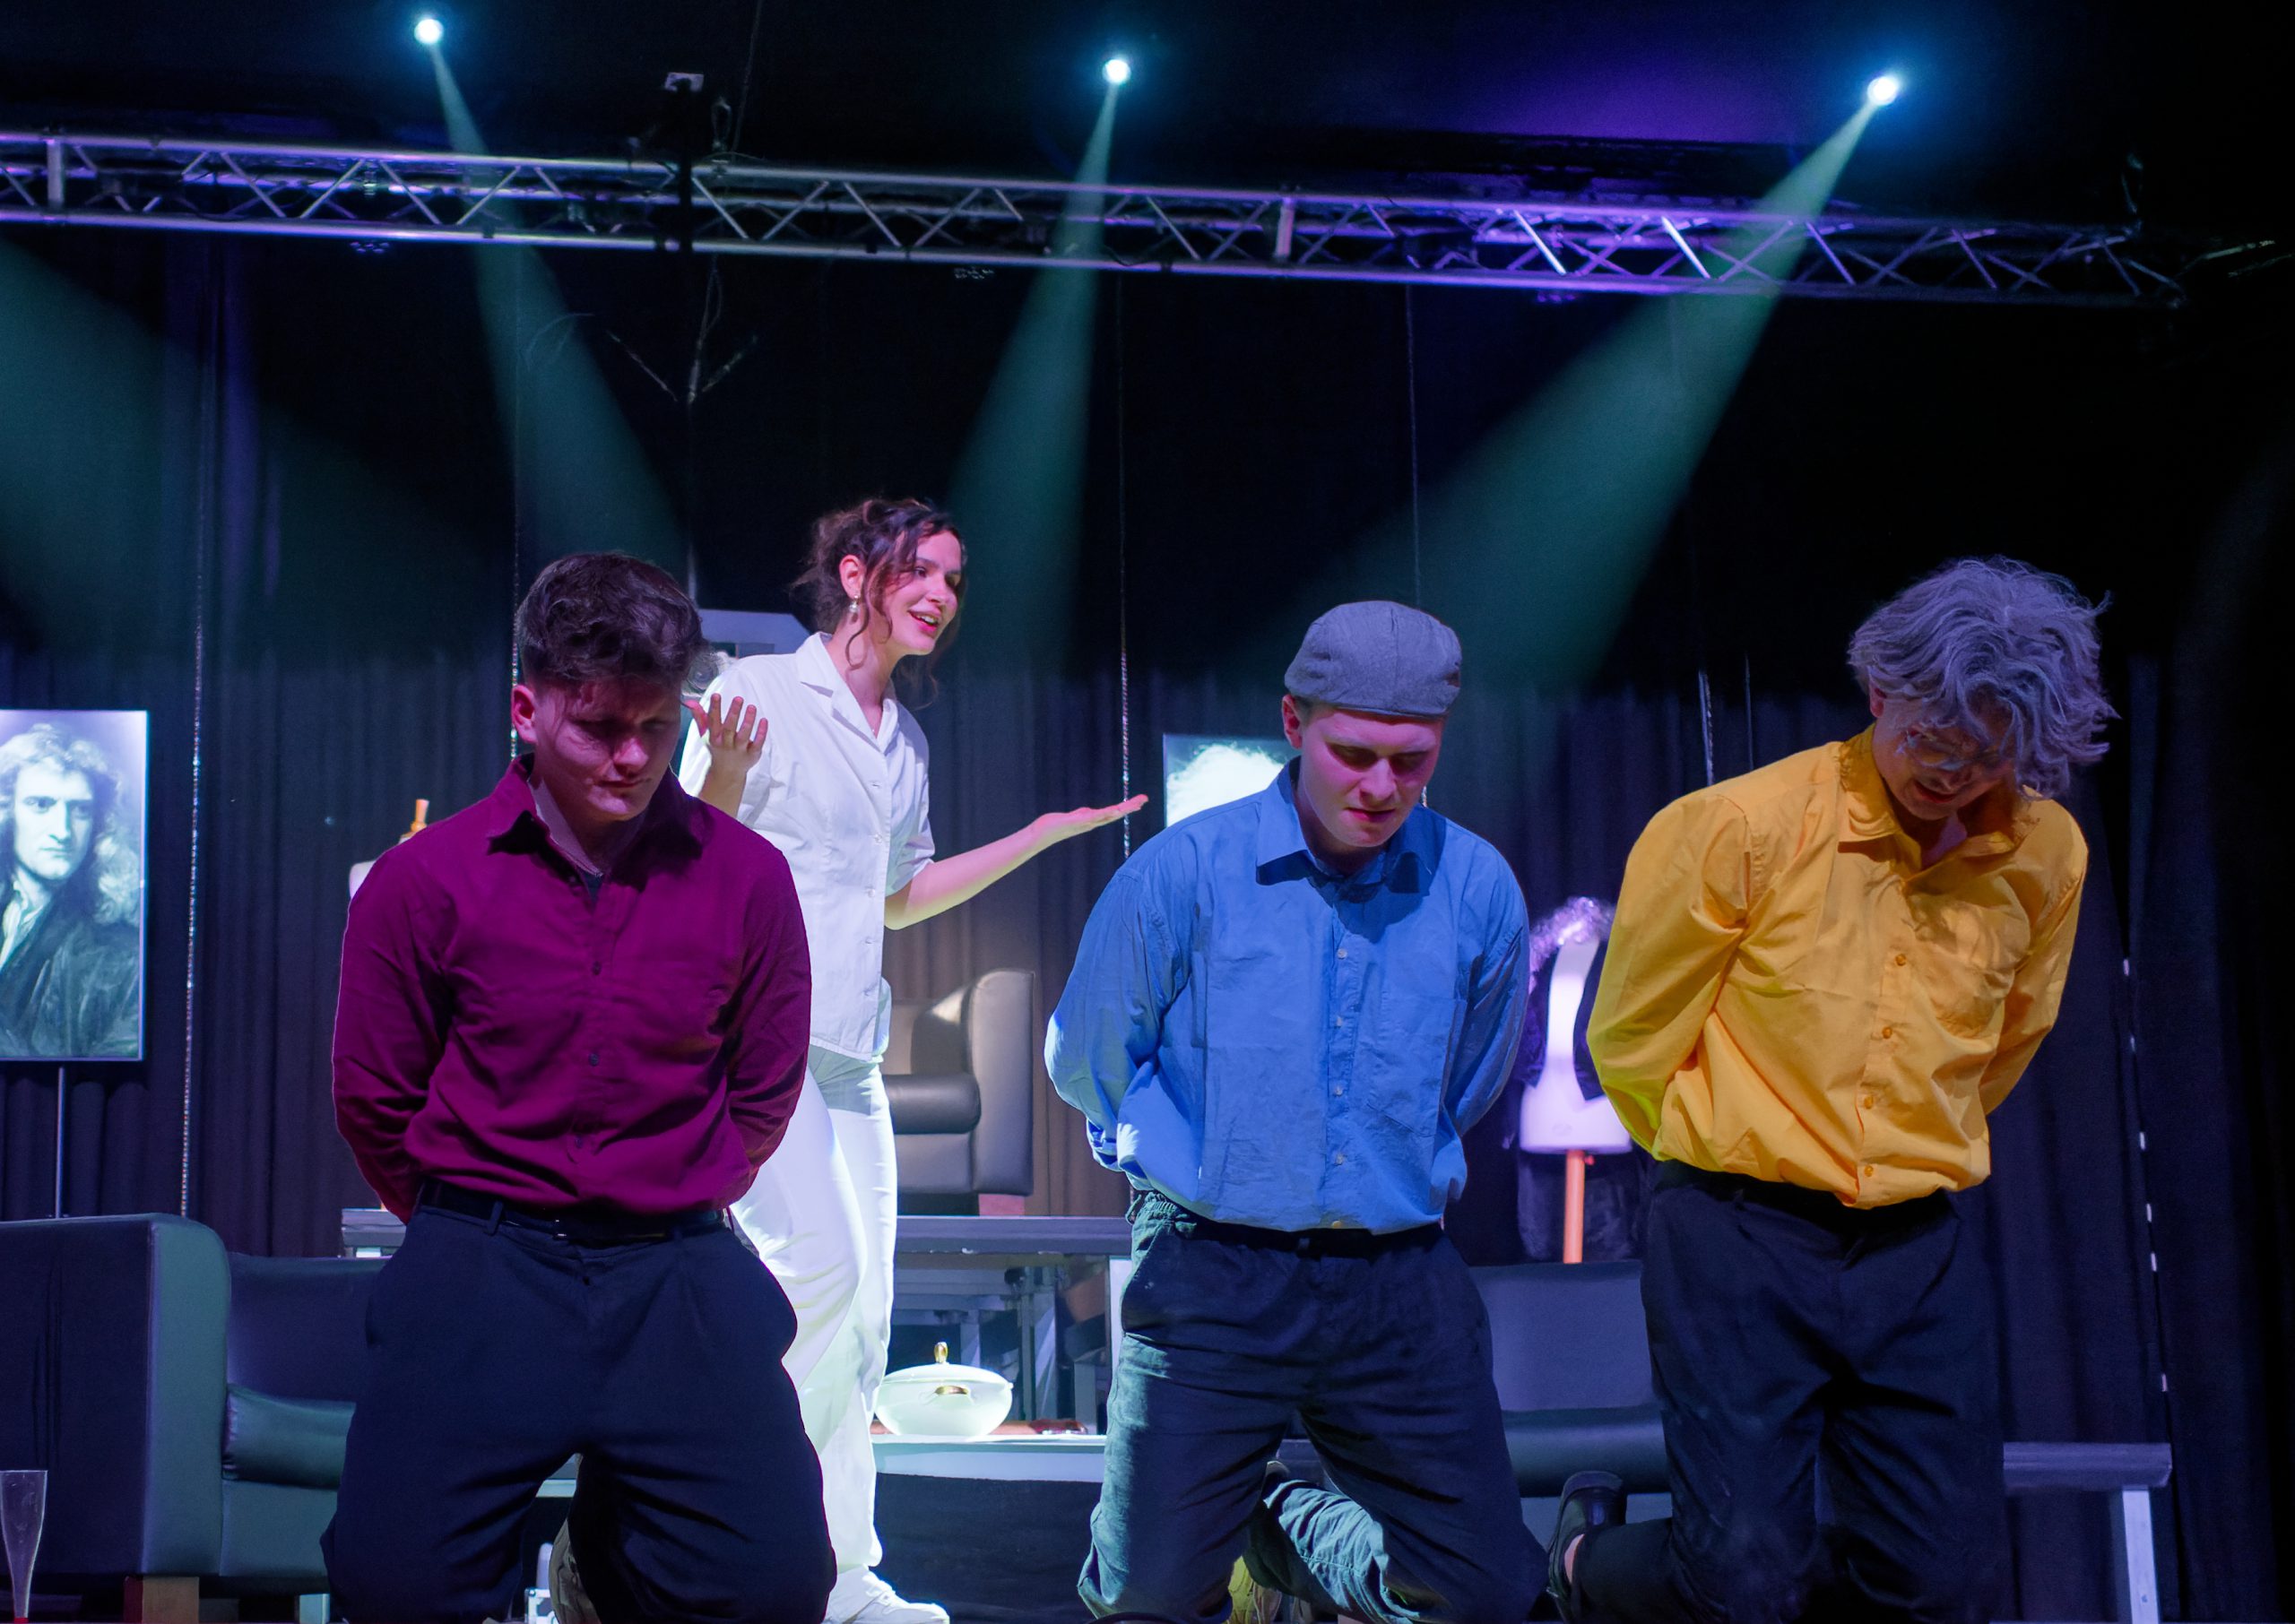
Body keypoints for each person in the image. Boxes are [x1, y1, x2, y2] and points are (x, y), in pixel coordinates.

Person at [1552, 557, 2114, 1624]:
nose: (1951, 772)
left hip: (1915, 1244)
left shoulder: (2046, 852)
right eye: (1933, 740)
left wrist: (1901, 1142)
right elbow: (1630, 1042)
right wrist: (1726, 1160)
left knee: (1941, 1580)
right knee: (1740, 1580)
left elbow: (2010, 1039)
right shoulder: (1738, 828)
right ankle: (1581, 1562)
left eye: (1985, 754)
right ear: (1878, 691)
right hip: (1738, 1232)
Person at [325, 552, 830, 1624]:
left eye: (658, 726)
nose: (633, 756)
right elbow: (375, 1098)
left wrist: (668, 1196)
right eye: (599, 728)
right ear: (528, 710)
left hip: (673, 1267)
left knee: (776, 1584)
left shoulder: (747, 878)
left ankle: (605, 1559)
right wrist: (478, 1225)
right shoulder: (423, 881)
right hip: (486, 1264)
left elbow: (763, 1087)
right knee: (393, 1585)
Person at [673, 497, 1143, 1624]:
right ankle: (746, 1553)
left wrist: (1037, 837)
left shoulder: (904, 741)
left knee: (866, 1317)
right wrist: (725, 770)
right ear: (855, 575)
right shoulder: (757, 691)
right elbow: (680, 850)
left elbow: (898, 895)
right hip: (754, 1046)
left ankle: (840, 1577)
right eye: (919, 571)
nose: (941, 594)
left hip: (848, 1055)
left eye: (954, 580)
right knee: (818, 1283)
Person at [1048, 600, 1539, 1624]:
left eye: (1411, 761)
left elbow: (1471, 1079)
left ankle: (1269, 1523)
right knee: (1149, 1596)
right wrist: (1179, 1155)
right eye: (1353, 754)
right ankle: (1211, 1524)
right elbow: (1087, 1058)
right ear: (1292, 724)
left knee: (1485, 1590)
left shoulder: (1476, 886)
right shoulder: (1183, 872)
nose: (1381, 787)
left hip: (1397, 1276)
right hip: (1214, 1266)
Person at [0, 721, 141, 1059]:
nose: (62, 831)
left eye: (80, 810)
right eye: (40, 804)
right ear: (7, 812)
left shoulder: (126, 955)